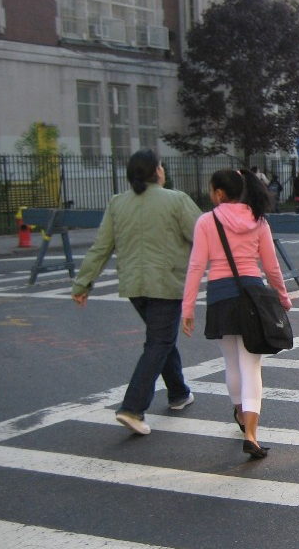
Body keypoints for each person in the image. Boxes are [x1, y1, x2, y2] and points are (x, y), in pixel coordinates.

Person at [71, 150, 202, 435]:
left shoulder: (118, 203)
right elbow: (203, 236)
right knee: (158, 341)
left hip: (134, 285)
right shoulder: (176, 200)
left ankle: (179, 393)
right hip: (166, 283)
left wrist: (83, 284)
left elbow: (101, 247)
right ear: (157, 171)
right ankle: (132, 407)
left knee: (161, 338)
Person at [181, 168, 292, 459]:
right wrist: (282, 296)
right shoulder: (258, 220)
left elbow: (196, 266)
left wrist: (187, 307)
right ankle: (251, 434)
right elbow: (271, 267)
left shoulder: (206, 221)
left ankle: (241, 415)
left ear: (219, 193)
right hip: (252, 297)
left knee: (231, 362)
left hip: (220, 297)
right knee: (250, 365)